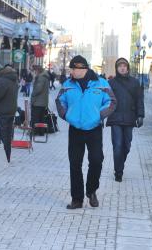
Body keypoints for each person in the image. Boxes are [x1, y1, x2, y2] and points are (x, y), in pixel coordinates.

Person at [56, 55, 116, 209]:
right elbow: (59, 101)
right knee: (75, 163)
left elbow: (111, 101)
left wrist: (99, 116)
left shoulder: (101, 83)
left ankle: (91, 190)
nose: (72, 72)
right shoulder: (67, 84)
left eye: (74, 69)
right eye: (72, 69)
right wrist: (67, 116)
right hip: (75, 129)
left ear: (84, 69)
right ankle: (77, 199)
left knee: (96, 160)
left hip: (94, 128)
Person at [106, 58, 144, 182]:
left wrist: (140, 115)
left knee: (126, 146)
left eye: (124, 66)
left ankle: (119, 165)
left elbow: (139, 99)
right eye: (120, 66)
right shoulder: (111, 83)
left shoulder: (134, 82)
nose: (122, 68)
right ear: (117, 68)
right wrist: (101, 116)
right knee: (117, 145)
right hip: (115, 118)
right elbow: (105, 100)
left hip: (129, 117)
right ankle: (118, 172)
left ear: (127, 68)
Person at [31, 65, 50, 135]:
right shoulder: (45, 77)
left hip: (38, 101)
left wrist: (33, 94)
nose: (34, 73)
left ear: (38, 71)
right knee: (41, 118)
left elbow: (38, 89)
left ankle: (35, 131)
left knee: (36, 118)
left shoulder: (41, 77)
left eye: (35, 71)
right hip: (43, 101)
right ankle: (41, 132)